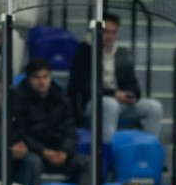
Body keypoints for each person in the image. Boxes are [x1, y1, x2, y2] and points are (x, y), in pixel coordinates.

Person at [68, 12, 164, 144]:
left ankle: (148, 149)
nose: (110, 36)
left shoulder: (121, 53)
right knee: (110, 104)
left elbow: (132, 82)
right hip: (92, 102)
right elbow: (84, 86)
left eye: (113, 32)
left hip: (119, 101)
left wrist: (133, 94)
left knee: (154, 107)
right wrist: (114, 94)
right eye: (106, 32)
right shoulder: (84, 52)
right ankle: (109, 154)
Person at [12, 58, 89, 185]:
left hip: (60, 153)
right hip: (36, 153)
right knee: (32, 162)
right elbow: (20, 133)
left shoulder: (61, 98)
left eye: (45, 77)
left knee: (88, 163)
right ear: (29, 79)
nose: (42, 82)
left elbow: (70, 130)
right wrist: (43, 151)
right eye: (37, 78)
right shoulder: (19, 99)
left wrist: (64, 151)